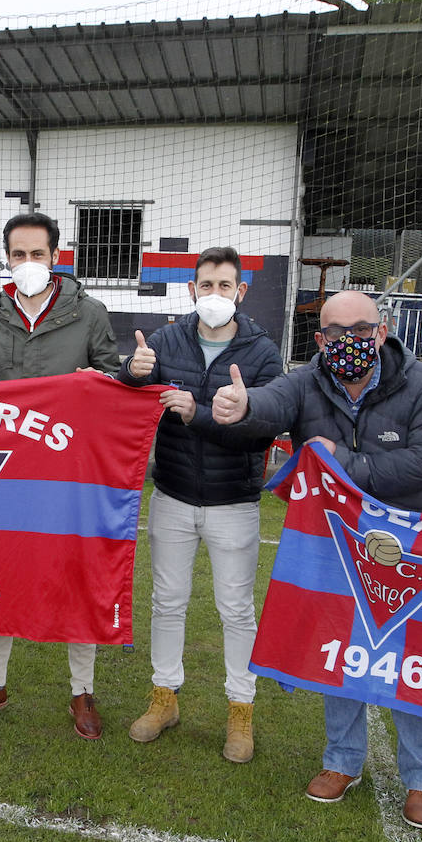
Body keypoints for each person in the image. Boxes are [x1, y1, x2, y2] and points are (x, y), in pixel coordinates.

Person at [211, 289, 422, 828]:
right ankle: (342, 761)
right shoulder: (308, 379)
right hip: (335, 544)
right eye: (335, 332)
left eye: (361, 329)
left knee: (409, 664)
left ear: (382, 331)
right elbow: (272, 403)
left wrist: (346, 463)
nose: (349, 341)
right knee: (341, 652)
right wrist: (244, 405)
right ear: (319, 339)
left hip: (406, 546)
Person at [0, 212, 120, 739]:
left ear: (56, 257)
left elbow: (111, 377)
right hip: (3, 477)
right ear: (7, 259)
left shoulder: (90, 313)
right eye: (19, 254)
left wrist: (109, 378)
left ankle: (82, 691)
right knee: (1, 575)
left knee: (77, 576)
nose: (29, 263)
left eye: (38, 254)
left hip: (68, 475)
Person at [117, 246, 283, 761]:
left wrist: (200, 414)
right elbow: (131, 394)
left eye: (224, 286)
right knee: (167, 601)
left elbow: (262, 431)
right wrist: (132, 370)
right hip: (172, 492)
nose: (215, 295)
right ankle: (164, 697)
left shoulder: (262, 353)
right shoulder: (167, 339)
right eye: (206, 285)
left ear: (241, 292)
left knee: (235, 609)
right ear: (192, 290)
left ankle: (241, 711)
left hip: (234, 500)